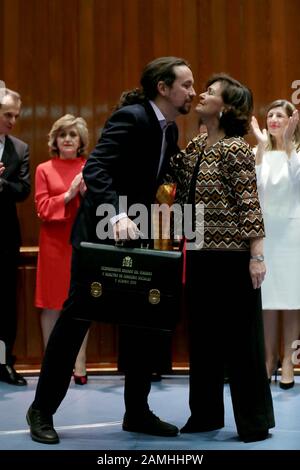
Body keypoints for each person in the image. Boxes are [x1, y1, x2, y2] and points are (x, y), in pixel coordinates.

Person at [26, 56, 196, 444]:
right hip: (101, 236)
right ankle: (41, 410)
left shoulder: (168, 130)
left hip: (137, 238)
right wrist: (117, 214)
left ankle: (137, 412)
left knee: (141, 326)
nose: (192, 91)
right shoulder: (133, 118)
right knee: (74, 325)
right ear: (163, 89)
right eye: (186, 85)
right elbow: (96, 169)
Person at [167, 73, 275, 442]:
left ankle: (254, 420)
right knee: (204, 340)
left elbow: (249, 203)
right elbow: (172, 181)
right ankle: (206, 414)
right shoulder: (197, 147)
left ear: (226, 107)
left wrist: (256, 256)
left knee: (242, 342)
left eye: (211, 92)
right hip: (198, 254)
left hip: (232, 257)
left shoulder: (235, 148)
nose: (202, 95)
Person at [35, 114, 90, 385]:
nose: (67, 139)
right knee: (51, 304)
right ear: (55, 140)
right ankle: (52, 365)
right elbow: (43, 208)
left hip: (80, 241)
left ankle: (79, 364)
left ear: (81, 141)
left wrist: (84, 193)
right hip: (53, 244)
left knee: (80, 303)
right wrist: (68, 195)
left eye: (73, 135)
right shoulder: (44, 169)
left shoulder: (88, 167)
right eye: (62, 135)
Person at [251, 100, 300, 389]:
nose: (273, 119)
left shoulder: (297, 153)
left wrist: (290, 144)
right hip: (267, 233)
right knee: (267, 300)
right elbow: (256, 189)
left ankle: (288, 361)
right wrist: (260, 147)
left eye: (280, 115)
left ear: (291, 121)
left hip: (293, 233)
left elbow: (297, 180)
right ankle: (268, 358)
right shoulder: (260, 152)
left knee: (293, 300)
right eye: (270, 114)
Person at [0, 86, 30, 386]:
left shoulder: (19, 148)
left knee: (5, 305)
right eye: (7, 114)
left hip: (5, 238)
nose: (12, 120)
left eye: (16, 116)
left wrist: (1, 183)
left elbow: (23, 190)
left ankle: (3, 361)